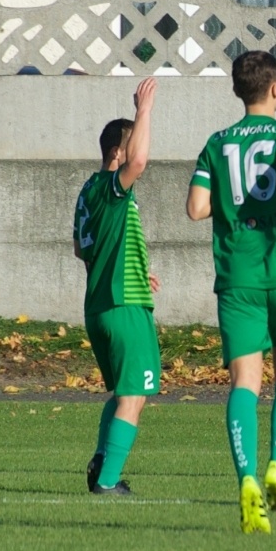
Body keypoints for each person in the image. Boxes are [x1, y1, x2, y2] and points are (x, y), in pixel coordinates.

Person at [186, 50, 276, 534]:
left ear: (237, 91)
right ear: (275, 88)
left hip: (237, 276)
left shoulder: (217, 142)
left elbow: (196, 208)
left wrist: (234, 200)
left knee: (244, 382)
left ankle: (246, 477)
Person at [74, 78, 162, 497]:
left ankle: (100, 460)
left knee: (122, 393)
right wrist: (144, 110)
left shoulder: (87, 191)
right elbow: (139, 161)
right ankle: (108, 481)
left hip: (99, 304)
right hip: (124, 305)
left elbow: (81, 246)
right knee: (134, 395)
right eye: (133, 143)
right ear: (116, 153)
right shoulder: (112, 187)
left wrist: (136, 267)